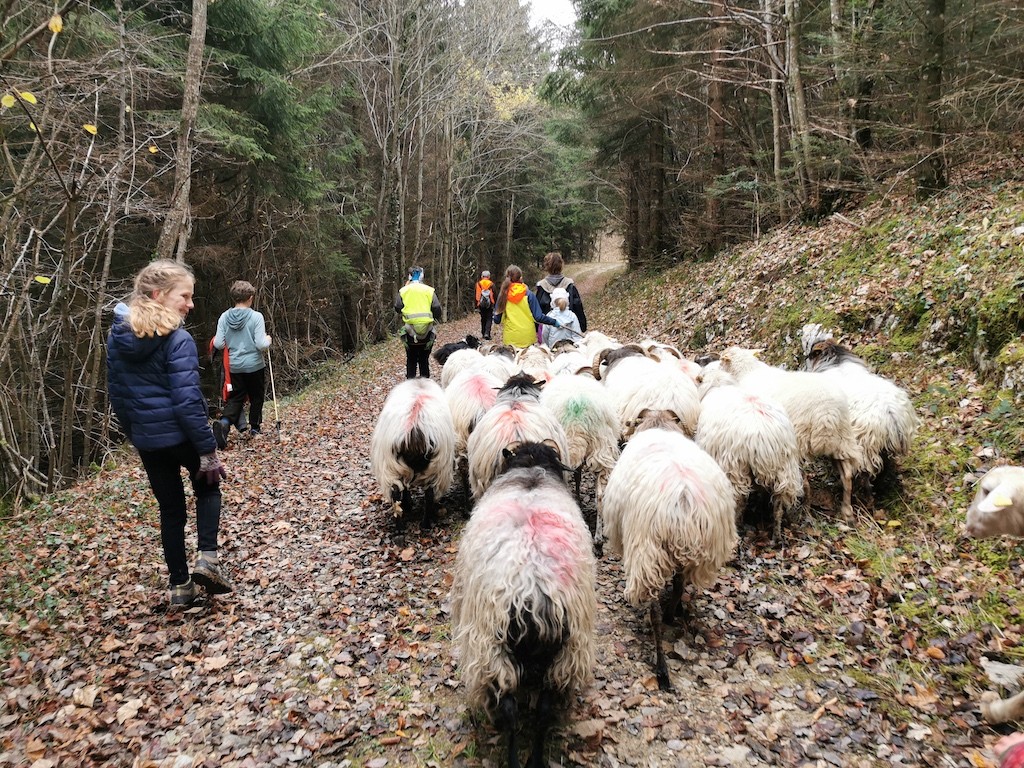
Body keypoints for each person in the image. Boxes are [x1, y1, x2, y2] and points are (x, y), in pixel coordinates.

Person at [106, 259, 232, 608]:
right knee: (208, 488)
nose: (191, 304)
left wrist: (137, 434)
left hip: (148, 440)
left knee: (171, 509)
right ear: (159, 295)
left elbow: (117, 394)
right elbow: (187, 400)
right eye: (185, 296)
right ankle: (207, 558)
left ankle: (179, 586)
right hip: (181, 437)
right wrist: (207, 451)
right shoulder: (178, 339)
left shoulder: (117, 336)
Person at [212, 280, 272, 447]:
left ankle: (224, 423)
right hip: (254, 365)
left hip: (235, 366)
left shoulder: (224, 317)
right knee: (256, 396)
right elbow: (261, 344)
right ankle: (255, 428)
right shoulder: (256, 316)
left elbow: (218, 344)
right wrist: (268, 340)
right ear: (250, 298)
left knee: (236, 398)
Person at [492, 264, 560, 350]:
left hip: (510, 339)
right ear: (520, 278)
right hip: (527, 338)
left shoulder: (503, 296)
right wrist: (554, 322)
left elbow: (497, 320)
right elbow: (538, 317)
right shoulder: (529, 295)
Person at [395, 265, 442, 378]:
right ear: (422, 276)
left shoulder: (403, 291)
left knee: (411, 358)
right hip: (427, 330)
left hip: (409, 331)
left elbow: (397, 307)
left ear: (409, 276)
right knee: (424, 358)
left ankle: (410, 382)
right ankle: (425, 382)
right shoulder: (429, 290)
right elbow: (436, 308)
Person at [535, 251, 587, 335]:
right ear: (561, 265)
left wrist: (536, 329)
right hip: (569, 329)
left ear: (547, 266)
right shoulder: (569, 284)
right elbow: (577, 306)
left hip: (547, 330)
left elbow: (537, 310)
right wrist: (582, 326)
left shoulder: (541, 286)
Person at [475, 270, 495, 340]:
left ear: (482, 276)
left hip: (481, 304)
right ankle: (487, 333)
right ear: (489, 276)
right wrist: (494, 303)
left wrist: (477, 304)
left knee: (483, 318)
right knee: (489, 318)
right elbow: (494, 294)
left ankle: (483, 333)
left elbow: (477, 294)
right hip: (490, 304)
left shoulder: (479, 284)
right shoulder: (491, 284)